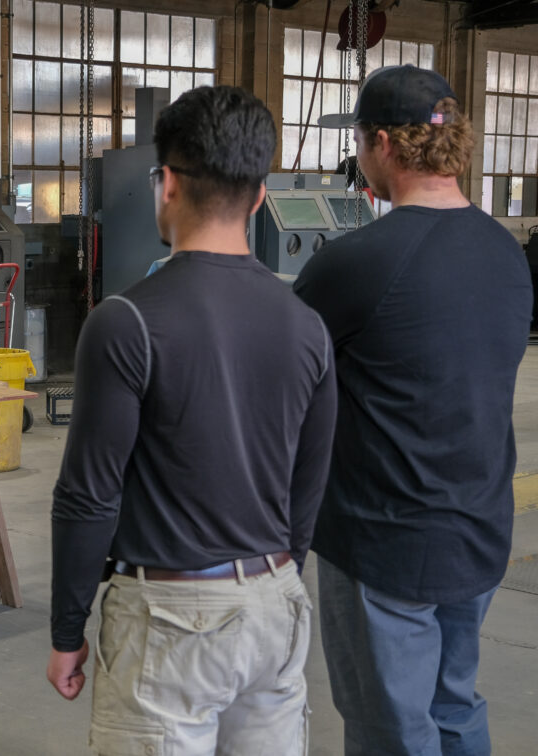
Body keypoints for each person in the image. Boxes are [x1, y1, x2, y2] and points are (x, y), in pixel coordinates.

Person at [46, 85, 338, 754]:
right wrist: (270, 577)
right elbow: (307, 488)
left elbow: (89, 496)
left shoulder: (125, 322)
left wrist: (68, 631)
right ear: (261, 196)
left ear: (166, 182)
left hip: (169, 619)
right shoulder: (307, 327)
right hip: (275, 607)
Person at [296, 65, 532, 755]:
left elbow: (285, 374)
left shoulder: (356, 262)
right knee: (453, 705)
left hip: (384, 541)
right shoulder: (505, 253)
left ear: (383, 146)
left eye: (361, 143)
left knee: (388, 727)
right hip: (479, 530)